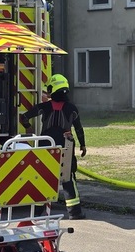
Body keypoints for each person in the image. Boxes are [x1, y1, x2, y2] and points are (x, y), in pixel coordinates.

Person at [20, 74, 87, 219]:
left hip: (46, 146)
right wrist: (83, 145)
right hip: (66, 148)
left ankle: (37, 213)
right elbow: (79, 129)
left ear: (53, 89)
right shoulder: (72, 109)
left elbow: (23, 117)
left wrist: (29, 128)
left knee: (42, 177)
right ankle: (75, 213)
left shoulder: (43, 107)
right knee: (68, 179)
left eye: (49, 88)